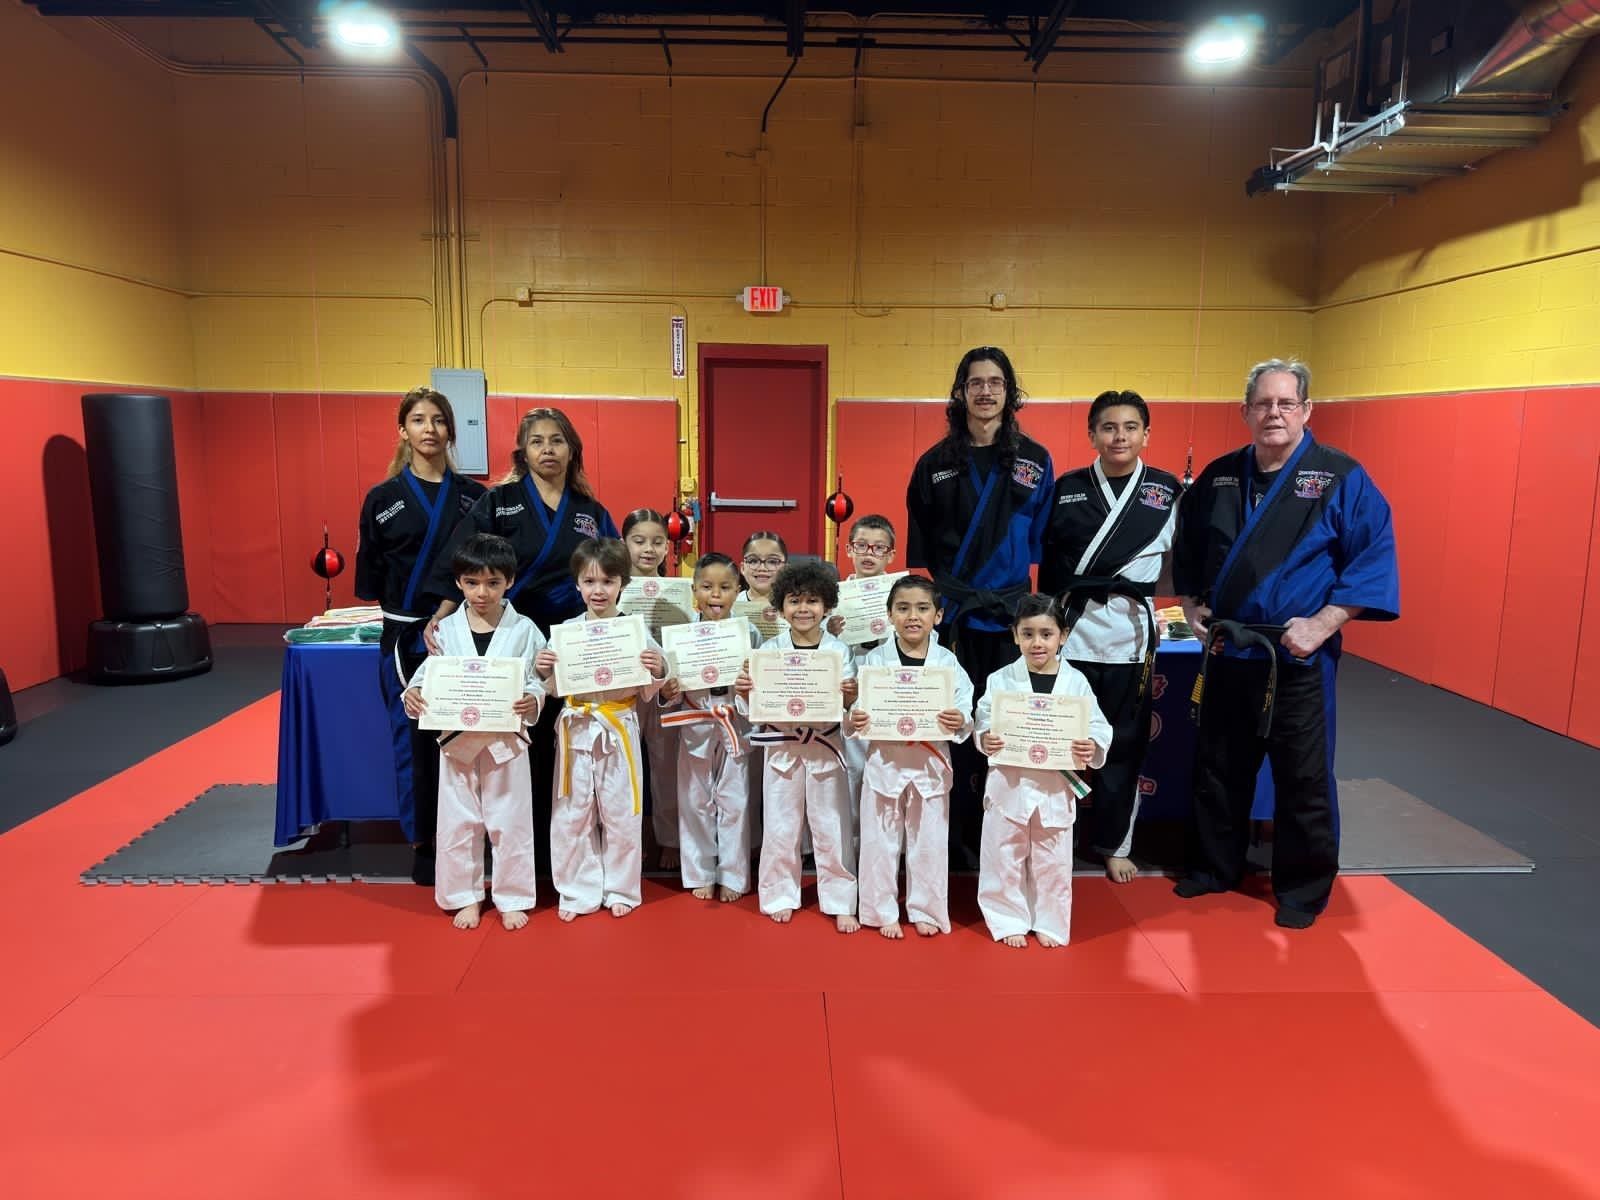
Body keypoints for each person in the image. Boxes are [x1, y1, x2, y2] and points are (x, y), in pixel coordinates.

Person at [1172, 358, 1399, 929]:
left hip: (1296, 654)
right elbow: (1192, 548)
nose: (1274, 413)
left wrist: (1323, 624)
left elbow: (1372, 558)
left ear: (1306, 410)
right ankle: (1212, 866)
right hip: (1230, 650)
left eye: (1286, 403)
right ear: (1245, 411)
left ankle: (1303, 887)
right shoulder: (1221, 477)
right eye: (1263, 404)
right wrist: (1194, 603)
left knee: (1303, 775)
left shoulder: (1340, 477)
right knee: (1219, 766)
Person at [425, 407, 619, 867]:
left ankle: (567, 851)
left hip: (575, 644)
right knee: (511, 749)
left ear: (572, 451)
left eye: (557, 440)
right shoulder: (500, 501)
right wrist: (442, 612)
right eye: (537, 441)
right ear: (523, 452)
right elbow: (468, 560)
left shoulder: (591, 513)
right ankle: (510, 852)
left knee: (566, 747)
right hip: (510, 637)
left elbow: (612, 574)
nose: (548, 449)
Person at [905, 347, 1054, 868]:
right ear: (961, 392)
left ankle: (1004, 844)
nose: (986, 391)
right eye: (976, 383)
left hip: (1009, 619)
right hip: (954, 622)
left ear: (1010, 392)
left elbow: (1037, 540)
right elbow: (922, 552)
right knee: (951, 727)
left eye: (996, 382)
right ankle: (950, 844)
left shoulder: (1035, 461)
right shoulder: (935, 464)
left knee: (1005, 730)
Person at [1038, 390, 1179, 884]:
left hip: (1130, 637)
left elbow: (1177, 565)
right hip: (1073, 633)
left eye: (1130, 427)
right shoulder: (1069, 487)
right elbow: (1052, 567)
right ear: (1092, 434)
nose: (1119, 436)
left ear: (1145, 434)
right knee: (1061, 739)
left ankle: (1115, 842)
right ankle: (1054, 831)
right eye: (1109, 427)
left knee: (1122, 745)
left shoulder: (1166, 490)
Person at [354, 386, 486, 886]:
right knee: (412, 740)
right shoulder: (382, 499)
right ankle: (422, 842)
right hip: (406, 635)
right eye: (418, 420)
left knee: (473, 734)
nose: (429, 429)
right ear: (403, 431)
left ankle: (476, 834)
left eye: (438, 420)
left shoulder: (477, 496)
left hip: (465, 631)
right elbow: (368, 578)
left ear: (451, 430)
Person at [401, 533, 544, 930]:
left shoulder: (526, 629)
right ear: (459, 582)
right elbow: (430, 673)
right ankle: (465, 895)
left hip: (507, 742)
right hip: (457, 742)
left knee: (511, 820)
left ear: (510, 581)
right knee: (458, 821)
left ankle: (512, 896)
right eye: (472, 583)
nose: (482, 592)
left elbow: (536, 678)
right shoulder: (445, 629)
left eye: (493, 583)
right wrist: (412, 692)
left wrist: (534, 700)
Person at [537, 537, 667, 919]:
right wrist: (544, 667)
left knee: (622, 811)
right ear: (576, 584)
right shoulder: (565, 633)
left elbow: (653, 684)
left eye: (607, 581)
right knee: (572, 811)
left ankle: (621, 888)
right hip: (576, 724)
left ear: (622, 584)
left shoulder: (634, 631)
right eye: (589, 581)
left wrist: (658, 669)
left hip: (618, 723)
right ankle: (577, 892)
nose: (598, 590)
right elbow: (551, 686)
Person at [974, 594, 1111, 949]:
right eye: (1029, 634)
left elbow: (1098, 725)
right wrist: (984, 737)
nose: (1038, 643)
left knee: (1053, 860)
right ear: (1015, 635)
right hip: (1010, 784)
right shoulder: (1000, 680)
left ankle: (1051, 920)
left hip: (1054, 786)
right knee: (1003, 855)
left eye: (1047, 634)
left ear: (1063, 636)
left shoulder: (1076, 682)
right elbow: (984, 717)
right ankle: (1007, 919)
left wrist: (1091, 746)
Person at [845, 575, 974, 938]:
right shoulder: (874, 659)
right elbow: (858, 709)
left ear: (938, 615)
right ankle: (878, 909)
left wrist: (959, 718)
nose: (912, 616)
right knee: (878, 839)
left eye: (922, 608)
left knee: (929, 841)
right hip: (885, 761)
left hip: (929, 762)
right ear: (889, 615)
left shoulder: (948, 662)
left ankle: (927, 909)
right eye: (903, 608)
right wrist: (856, 716)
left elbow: (965, 707)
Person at [736, 560, 861, 933]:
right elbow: (752, 709)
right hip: (783, 747)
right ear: (780, 606)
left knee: (833, 826)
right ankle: (779, 894)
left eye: (812, 601)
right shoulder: (769, 651)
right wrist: (746, 693)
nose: (803, 609)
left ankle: (840, 900)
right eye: (794, 601)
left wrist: (851, 698)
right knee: (780, 826)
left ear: (826, 606)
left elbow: (852, 706)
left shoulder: (841, 651)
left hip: (825, 745)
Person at [659, 552, 757, 902]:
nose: (716, 595)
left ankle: (733, 873)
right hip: (696, 722)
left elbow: (761, 683)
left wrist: (751, 682)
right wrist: (668, 690)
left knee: (736, 800)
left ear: (737, 590)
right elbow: (668, 688)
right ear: (693, 591)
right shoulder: (681, 636)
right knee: (694, 800)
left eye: (726, 587)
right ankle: (700, 871)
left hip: (735, 721)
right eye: (707, 587)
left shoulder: (751, 633)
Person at [620, 507, 681, 872]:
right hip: (623, 687)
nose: (648, 549)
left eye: (657, 542)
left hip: (665, 686)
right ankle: (630, 839)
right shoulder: (611, 586)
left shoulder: (680, 591)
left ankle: (669, 838)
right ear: (623, 543)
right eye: (639, 541)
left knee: (665, 765)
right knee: (624, 766)